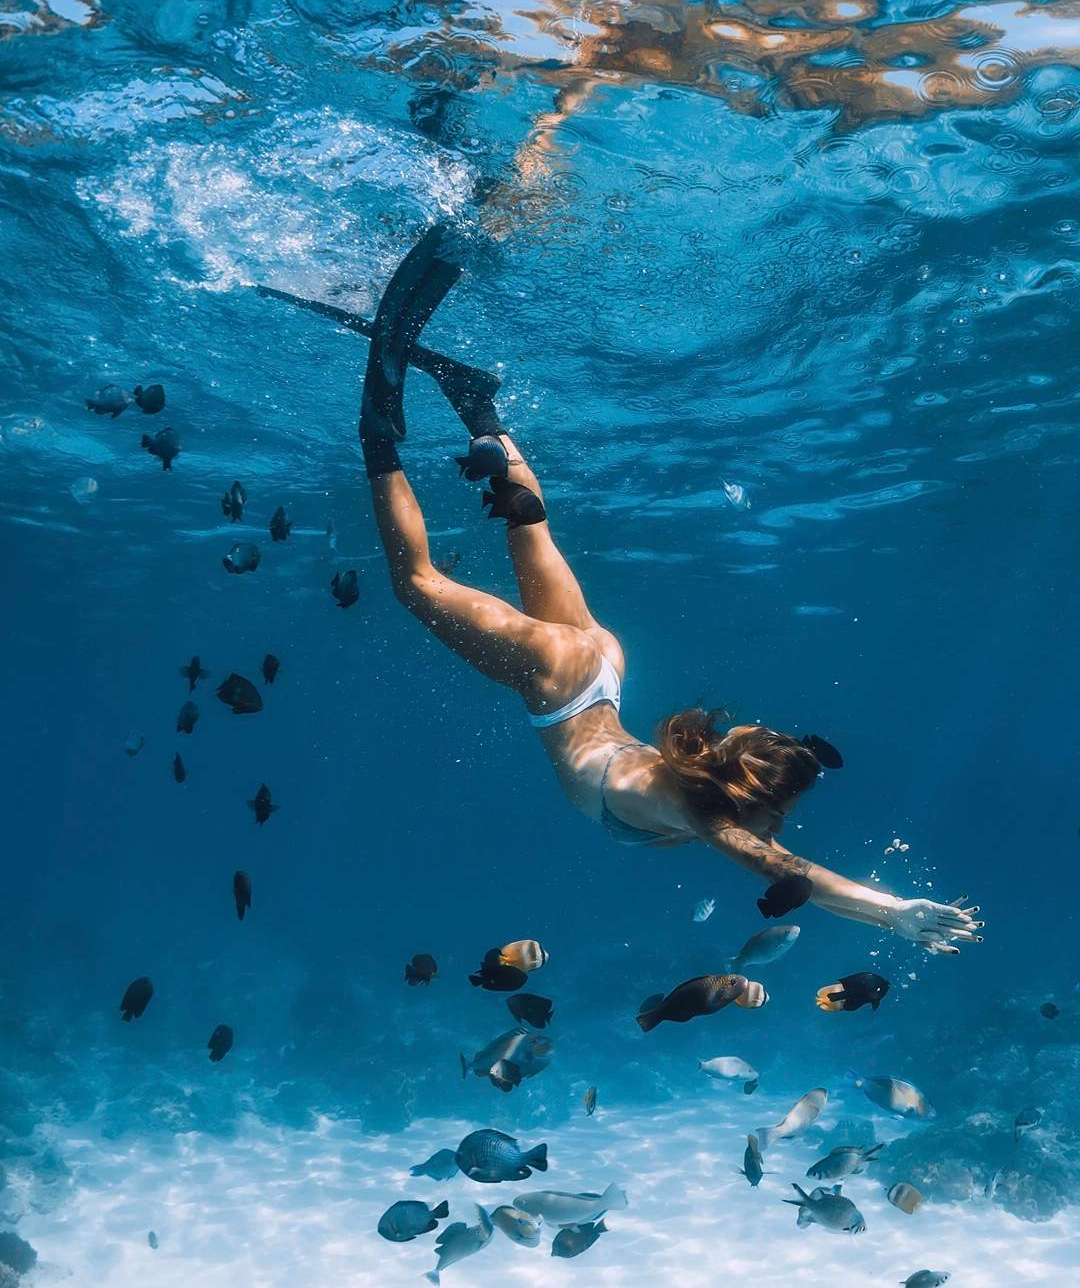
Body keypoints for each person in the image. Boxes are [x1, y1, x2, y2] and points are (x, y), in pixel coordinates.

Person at [352, 222, 981, 955]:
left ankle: (477, 402)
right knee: (416, 583)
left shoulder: (693, 780)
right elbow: (802, 873)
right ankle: (378, 428)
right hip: (560, 683)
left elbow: (792, 861)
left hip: (603, 669)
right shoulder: (704, 817)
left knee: (531, 531)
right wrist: (895, 912)